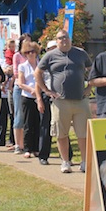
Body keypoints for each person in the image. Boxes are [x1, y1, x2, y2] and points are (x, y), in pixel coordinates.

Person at [35, 29, 92, 173]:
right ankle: (65, 161)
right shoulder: (50, 55)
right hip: (60, 101)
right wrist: (46, 91)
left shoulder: (80, 53)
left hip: (81, 100)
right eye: (60, 38)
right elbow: (38, 73)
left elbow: (92, 70)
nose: (64, 40)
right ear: (57, 40)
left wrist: (89, 87)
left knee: (83, 133)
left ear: (70, 39)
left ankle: (85, 161)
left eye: (66, 37)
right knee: (61, 133)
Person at [17, 41, 44, 158]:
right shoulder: (22, 66)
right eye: (28, 52)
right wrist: (31, 90)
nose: (31, 54)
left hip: (39, 97)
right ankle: (27, 148)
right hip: (27, 97)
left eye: (33, 52)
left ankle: (36, 148)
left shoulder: (40, 65)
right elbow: (21, 83)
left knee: (38, 123)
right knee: (28, 123)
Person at [11, 33, 32, 154]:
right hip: (20, 88)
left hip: (32, 89)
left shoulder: (33, 55)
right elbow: (16, 73)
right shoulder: (17, 56)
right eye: (26, 42)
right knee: (19, 116)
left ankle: (28, 143)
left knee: (29, 118)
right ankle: (18, 144)